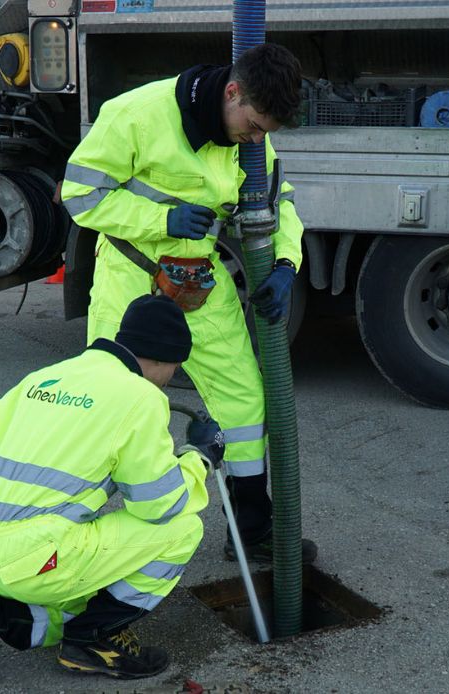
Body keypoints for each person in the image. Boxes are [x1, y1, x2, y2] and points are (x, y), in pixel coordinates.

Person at [60, 42, 317, 564]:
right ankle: (73, 538)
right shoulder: (134, 115)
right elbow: (78, 196)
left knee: (244, 402)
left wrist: (287, 265)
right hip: (132, 280)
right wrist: (161, 221)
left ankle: (249, 529)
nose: (257, 139)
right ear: (232, 91)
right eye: (254, 125)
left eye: (266, 132)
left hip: (200, 280)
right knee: (114, 409)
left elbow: (277, 203)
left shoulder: (248, 139)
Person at [0, 295, 226, 680]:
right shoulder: (140, 398)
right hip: (36, 559)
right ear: (162, 357)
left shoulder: (41, 379)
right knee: (182, 530)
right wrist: (198, 458)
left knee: (78, 582)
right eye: (174, 368)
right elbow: (162, 505)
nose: (170, 379)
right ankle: (92, 640)